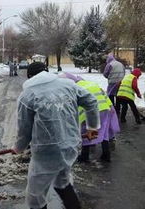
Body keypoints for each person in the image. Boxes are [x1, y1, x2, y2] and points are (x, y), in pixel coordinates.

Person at [13, 62, 100, 209]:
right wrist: (92, 127)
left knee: (35, 195)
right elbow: (91, 100)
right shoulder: (69, 86)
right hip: (71, 145)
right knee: (63, 182)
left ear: (29, 76)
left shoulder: (27, 95)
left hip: (47, 151)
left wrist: (19, 147)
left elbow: (24, 129)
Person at [59, 72, 120, 163]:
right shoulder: (90, 83)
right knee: (103, 132)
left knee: (86, 131)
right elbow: (105, 96)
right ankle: (106, 155)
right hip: (105, 108)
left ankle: (84, 156)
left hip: (89, 111)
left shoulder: (74, 88)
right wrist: (110, 108)